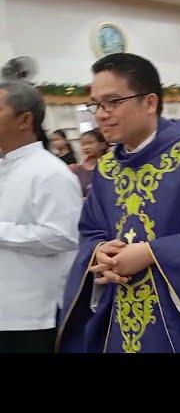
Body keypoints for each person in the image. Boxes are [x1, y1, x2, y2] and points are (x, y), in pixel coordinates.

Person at [57, 53, 180, 353]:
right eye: (96, 104)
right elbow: (90, 229)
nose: (101, 114)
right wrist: (100, 253)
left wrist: (151, 253)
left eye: (112, 101)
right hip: (119, 316)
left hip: (179, 323)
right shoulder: (107, 168)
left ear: (149, 103)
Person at [0, 82, 82, 353]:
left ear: (24, 120)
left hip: (30, 314)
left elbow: (61, 235)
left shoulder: (49, 172)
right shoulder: (6, 166)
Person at [69, 129, 110, 198]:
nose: (86, 147)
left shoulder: (111, 167)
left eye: (90, 143)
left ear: (103, 145)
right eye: (83, 144)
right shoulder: (76, 170)